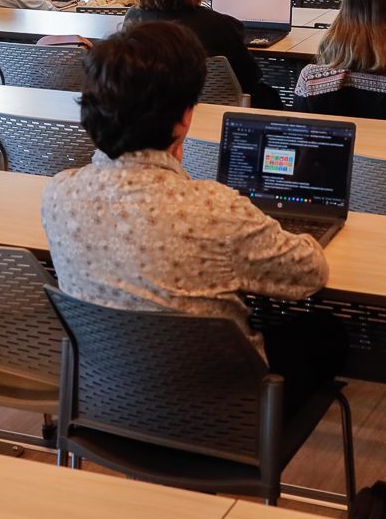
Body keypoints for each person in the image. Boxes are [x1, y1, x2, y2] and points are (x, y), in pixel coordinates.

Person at [40, 21, 346, 415]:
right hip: (222, 417)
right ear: (184, 118)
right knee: (328, 334)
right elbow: (311, 273)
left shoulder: (59, 195)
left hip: (110, 403)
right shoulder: (217, 211)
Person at [124, 0, 281, 109]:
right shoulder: (219, 26)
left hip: (154, 111)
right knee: (271, 97)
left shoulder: (133, 20)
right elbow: (248, 79)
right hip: (217, 111)